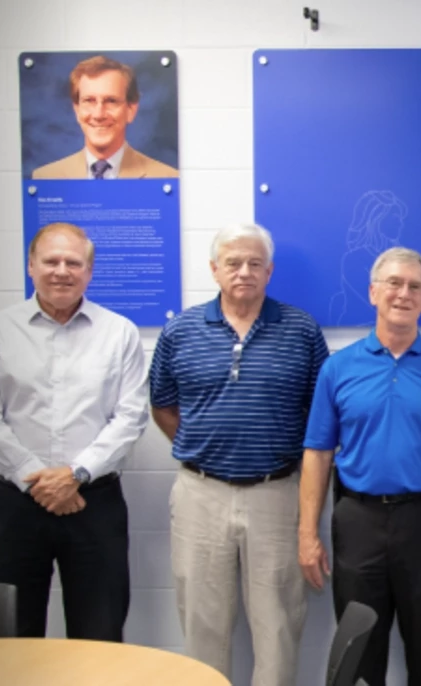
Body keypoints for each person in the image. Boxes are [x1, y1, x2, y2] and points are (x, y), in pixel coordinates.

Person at [147, 223, 328, 686]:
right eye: (232, 262)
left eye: (254, 263)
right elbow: (162, 405)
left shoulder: (302, 330)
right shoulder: (180, 330)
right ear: (214, 269)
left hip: (277, 492)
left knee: (278, 623)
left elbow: (321, 417)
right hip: (199, 493)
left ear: (269, 271)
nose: (243, 271)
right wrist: (206, 447)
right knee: (203, 623)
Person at [299, 247, 421, 686]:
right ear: (373, 292)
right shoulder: (338, 369)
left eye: (415, 286)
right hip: (358, 519)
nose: (404, 293)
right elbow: (318, 453)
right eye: (394, 284)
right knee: (360, 647)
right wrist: (307, 534)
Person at [0, 222, 148, 640]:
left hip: (94, 503)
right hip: (13, 503)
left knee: (99, 632)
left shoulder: (118, 332)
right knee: (8, 634)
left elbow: (130, 417)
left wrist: (74, 475)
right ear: (31, 266)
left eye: (73, 262)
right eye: (51, 261)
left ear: (89, 271)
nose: (61, 270)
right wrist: (38, 481)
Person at [32, 55, 178, 180]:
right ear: (77, 110)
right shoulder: (46, 177)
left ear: (131, 109)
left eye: (111, 101)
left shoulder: (165, 177)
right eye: (89, 101)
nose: (99, 114)